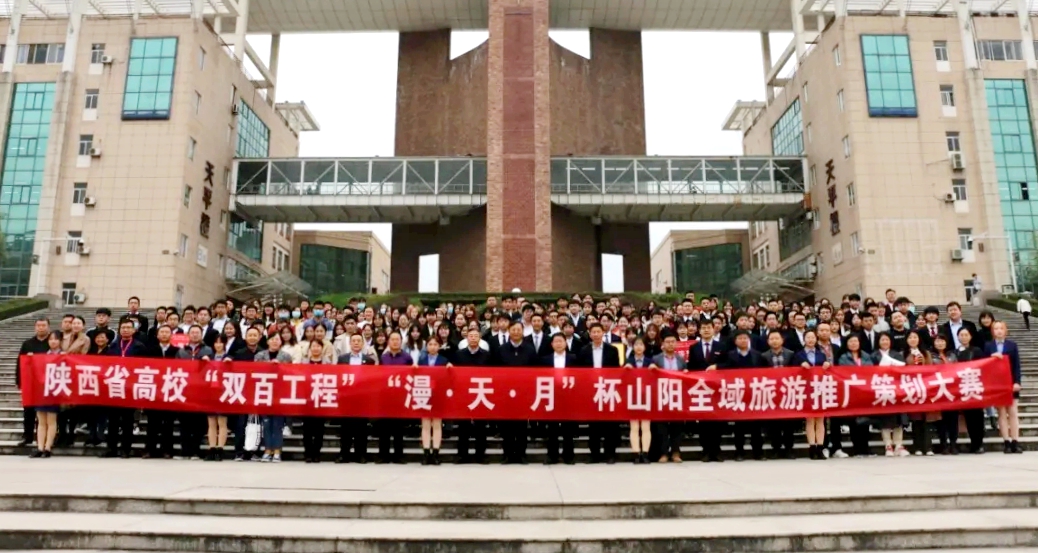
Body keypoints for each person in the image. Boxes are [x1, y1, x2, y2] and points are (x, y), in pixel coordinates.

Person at [103, 318, 147, 458]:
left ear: (134, 330)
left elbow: (143, 366)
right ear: (119, 329)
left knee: (127, 420)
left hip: (130, 388)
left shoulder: (140, 346)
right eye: (123, 327)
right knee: (113, 421)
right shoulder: (113, 346)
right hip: (115, 387)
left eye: (128, 327)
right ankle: (112, 448)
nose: (126, 330)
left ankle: (125, 449)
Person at [578, 323, 621, 463]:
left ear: (603, 333)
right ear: (590, 334)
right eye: (593, 332)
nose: (596, 334)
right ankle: (594, 454)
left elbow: (616, 370)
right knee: (593, 425)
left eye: (598, 331)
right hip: (591, 391)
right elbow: (580, 372)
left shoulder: (612, 350)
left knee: (610, 424)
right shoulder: (584, 351)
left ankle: (610, 454)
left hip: (608, 389)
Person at [498, 321, 538, 464]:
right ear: (509, 331)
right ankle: (507, 454)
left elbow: (535, 371)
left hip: (524, 393)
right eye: (513, 329)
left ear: (523, 331)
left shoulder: (530, 350)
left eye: (518, 330)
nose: (516, 332)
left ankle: (521, 454)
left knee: (522, 426)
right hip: (505, 393)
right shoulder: (501, 349)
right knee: (506, 426)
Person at [336, 333, 377, 463]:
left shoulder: (369, 361)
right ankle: (344, 454)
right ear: (350, 343)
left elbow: (371, 380)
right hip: (346, 397)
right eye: (353, 341)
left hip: (362, 398)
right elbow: (338, 376)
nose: (356, 343)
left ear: (363, 343)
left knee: (361, 428)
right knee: (345, 428)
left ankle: (361, 455)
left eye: (359, 341)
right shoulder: (342, 359)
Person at [254, 333, 294, 462]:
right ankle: (267, 450)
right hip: (264, 393)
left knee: (277, 424)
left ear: (281, 342)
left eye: (277, 339)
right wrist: (268, 365)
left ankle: (277, 451)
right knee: (266, 424)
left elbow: (290, 373)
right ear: (267, 342)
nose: (275, 341)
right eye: (272, 339)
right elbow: (255, 371)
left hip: (280, 393)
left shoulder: (286, 356)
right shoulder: (260, 355)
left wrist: (280, 366)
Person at [984, 321, 1022, 454]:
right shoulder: (988, 346)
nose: (999, 331)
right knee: (1001, 413)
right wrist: (991, 357)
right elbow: (984, 364)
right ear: (992, 331)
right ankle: (1006, 441)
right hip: (997, 383)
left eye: (1001, 328)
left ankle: (1015, 441)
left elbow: (1016, 365)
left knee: (1013, 412)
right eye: (996, 328)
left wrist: (1017, 382)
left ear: (1006, 331)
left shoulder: (1012, 345)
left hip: (1011, 382)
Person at [455, 327, 492, 464]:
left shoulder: (487, 355)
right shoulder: (459, 354)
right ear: (466, 338)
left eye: (476, 336)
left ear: (480, 338)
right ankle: (462, 455)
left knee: (480, 427)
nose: (473, 338)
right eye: (471, 336)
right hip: (464, 393)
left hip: (481, 393)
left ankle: (480, 455)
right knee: (463, 427)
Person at [144, 324, 181, 459]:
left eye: (167, 332)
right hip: (154, 391)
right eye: (162, 332)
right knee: (152, 423)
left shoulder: (177, 351)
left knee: (168, 424)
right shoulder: (150, 350)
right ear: (157, 335)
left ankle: (167, 450)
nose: (164, 334)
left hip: (170, 390)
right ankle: (150, 450)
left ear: (171, 335)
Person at [793, 330, 829, 460]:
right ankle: (812, 447)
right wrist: (800, 365)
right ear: (804, 340)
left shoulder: (821, 355)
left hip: (820, 388)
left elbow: (826, 372)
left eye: (813, 337)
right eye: (808, 337)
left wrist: (827, 365)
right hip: (806, 389)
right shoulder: (798, 355)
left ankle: (820, 447)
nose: (810, 339)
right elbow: (792, 371)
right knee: (810, 419)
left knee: (820, 419)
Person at [836, 334, 874, 457]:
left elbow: (870, 370)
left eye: (855, 341)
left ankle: (865, 448)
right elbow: (843, 372)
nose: (853, 344)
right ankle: (857, 448)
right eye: (851, 341)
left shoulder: (866, 356)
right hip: (851, 392)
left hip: (865, 391)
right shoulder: (843, 357)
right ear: (847, 344)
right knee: (853, 422)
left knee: (865, 422)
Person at [871, 333, 908, 457]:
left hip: (896, 389)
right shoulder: (874, 356)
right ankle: (888, 444)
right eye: (882, 339)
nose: (885, 342)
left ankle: (898, 444)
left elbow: (904, 370)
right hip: (881, 389)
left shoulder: (897, 355)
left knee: (899, 418)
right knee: (884, 418)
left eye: (887, 339)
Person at [416, 335, 451, 465]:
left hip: (438, 395)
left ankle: (436, 453)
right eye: (430, 344)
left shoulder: (444, 360)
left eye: (435, 344)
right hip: (424, 394)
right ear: (426, 346)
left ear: (439, 346)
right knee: (425, 424)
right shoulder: (421, 360)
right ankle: (426, 453)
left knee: (437, 424)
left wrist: (450, 367)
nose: (432, 347)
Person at [652, 334, 687, 463]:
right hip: (661, 396)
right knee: (662, 427)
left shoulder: (681, 360)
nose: (670, 344)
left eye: (673, 341)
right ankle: (664, 453)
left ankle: (676, 452)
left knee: (677, 426)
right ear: (663, 344)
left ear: (676, 344)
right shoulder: (656, 359)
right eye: (668, 342)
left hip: (677, 396)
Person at [761, 330, 796, 459]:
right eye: (772, 339)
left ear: (782, 340)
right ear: (768, 341)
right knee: (774, 424)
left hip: (788, 392)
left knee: (788, 424)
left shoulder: (791, 354)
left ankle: (789, 449)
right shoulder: (763, 356)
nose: (774, 341)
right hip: (771, 393)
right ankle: (775, 448)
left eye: (777, 338)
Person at [17, 317, 51, 448]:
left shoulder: (52, 342)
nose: (41, 328)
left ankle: (42, 438)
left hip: (46, 383)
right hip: (30, 382)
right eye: (39, 325)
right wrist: (19, 381)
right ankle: (27, 436)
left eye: (43, 325)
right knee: (28, 411)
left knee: (44, 412)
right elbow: (20, 363)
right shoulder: (27, 344)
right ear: (35, 327)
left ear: (48, 327)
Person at [230, 327, 263, 461]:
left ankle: (255, 451)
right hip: (243, 391)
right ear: (245, 337)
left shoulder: (263, 353)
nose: (252, 338)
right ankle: (239, 451)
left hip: (259, 391)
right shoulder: (239, 354)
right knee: (241, 423)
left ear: (260, 337)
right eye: (250, 335)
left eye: (255, 335)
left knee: (257, 423)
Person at [30, 330, 65, 458]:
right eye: (50, 339)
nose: (53, 342)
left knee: (51, 420)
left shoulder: (64, 355)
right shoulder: (43, 356)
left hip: (55, 391)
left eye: (56, 339)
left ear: (60, 341)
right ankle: (39, 447)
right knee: (41, 421)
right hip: (42, 391)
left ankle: (48, 447)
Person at [379, 331, 410, 463]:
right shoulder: (383, 357)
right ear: (388, 341)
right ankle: (383, 456)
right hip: (385, 397)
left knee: (398, 429)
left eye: (397, 339)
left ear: (401, 341)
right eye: (392, 339)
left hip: (400, 397)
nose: (395, 342)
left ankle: (399, 456)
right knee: (384, 429)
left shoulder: (407, 358)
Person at [903, 330, 937, 456]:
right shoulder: (904, 354)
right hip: (911, 389)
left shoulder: (925, 353)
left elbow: (931, 369)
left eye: (915, 337)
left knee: (927, 420)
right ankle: (917, 446)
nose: (913, 339)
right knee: (916, 419)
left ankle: (928, 447)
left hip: (925, 388)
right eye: (910, 337)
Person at [955, 327, 987, 454]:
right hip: (962, 387)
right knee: (968, 417)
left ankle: (979, 443)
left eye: (966, 335)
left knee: (978, 417)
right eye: (961, 335)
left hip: (975, 386)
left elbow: (983, 366)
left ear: (970, 336)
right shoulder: (955, 352)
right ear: (958, 337)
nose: (964, 337)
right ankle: (974, 443)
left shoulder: (977, 350)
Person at [299, 339, 329, 463]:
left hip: (322, 399)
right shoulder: (303, 362)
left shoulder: (327, 363)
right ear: (310, 348)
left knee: (319, 429)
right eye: (313, 346)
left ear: (322, 348)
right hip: (307, 399)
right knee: (307, 429)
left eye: (318, 346)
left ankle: (316, 453)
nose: (316, 348)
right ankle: (308, 453)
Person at [624, 337, 653, 464]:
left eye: (641, 344)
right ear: (633, 347)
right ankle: (636, 453)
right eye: (636, 344)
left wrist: (654, 369)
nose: (639, 347)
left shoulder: (650, 361)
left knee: (646, 426)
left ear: (645, 347)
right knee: (634, 426)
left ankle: (645, 453)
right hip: (633, 397)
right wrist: (625, 368)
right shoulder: (628, 361)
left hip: (647, 396)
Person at [931, 334, 960, 455]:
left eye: (942, 341)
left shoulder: (952, 355)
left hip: (952, 391)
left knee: (953, 420)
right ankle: (943, 444)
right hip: (938, 391)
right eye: (937, 341)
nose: (940, 343)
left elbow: (958, 370)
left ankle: (953, 444)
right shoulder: (930, 356)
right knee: (940, 420)